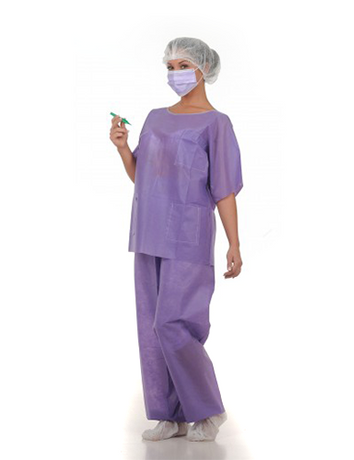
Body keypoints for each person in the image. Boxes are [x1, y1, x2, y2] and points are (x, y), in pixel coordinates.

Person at [109, 37, 244, 442]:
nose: (175, 74)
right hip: (148, 232)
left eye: (183, 66)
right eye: (170, 67)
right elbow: (144, 177)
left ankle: (208, 410)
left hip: (188, 236)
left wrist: (234, 243)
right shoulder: (155, 118)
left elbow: (224, 188)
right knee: (152, 328)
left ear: (204, 69)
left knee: (175, 323)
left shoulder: (216, 124)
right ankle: (170, 415)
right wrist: (123, 150)